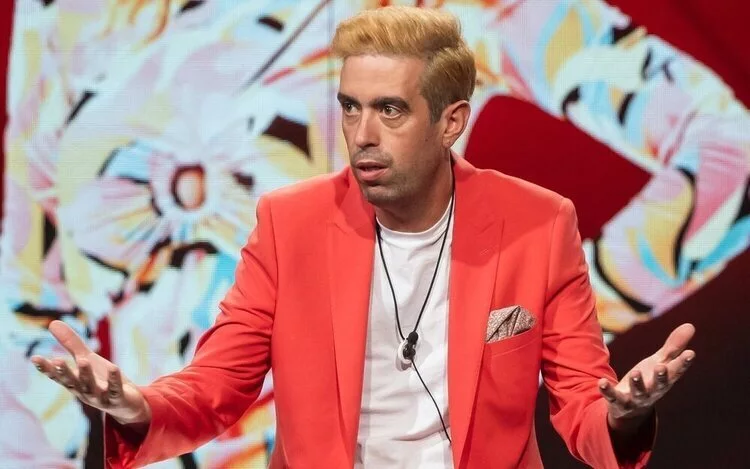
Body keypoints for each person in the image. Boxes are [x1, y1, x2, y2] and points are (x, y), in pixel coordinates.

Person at [31, 6, 696, 469]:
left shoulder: (538, 224)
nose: (362, 134)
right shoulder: (289, 224)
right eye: (350, 107)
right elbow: (216, 387)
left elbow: (583, 407)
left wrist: (623, 415)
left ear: (451, 122)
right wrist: (135, 404)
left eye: (390, 110)